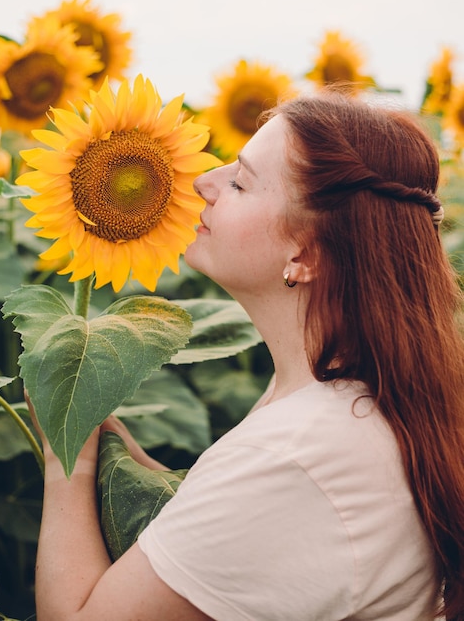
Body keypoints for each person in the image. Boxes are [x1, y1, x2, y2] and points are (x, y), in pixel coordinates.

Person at [26, 91, 464, 621]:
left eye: (239, 182)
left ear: (304, 254)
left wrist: (64, 457)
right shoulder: (341, 397)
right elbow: (213, 525)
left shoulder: (293, 456)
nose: (200, 183)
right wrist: (105, 435)